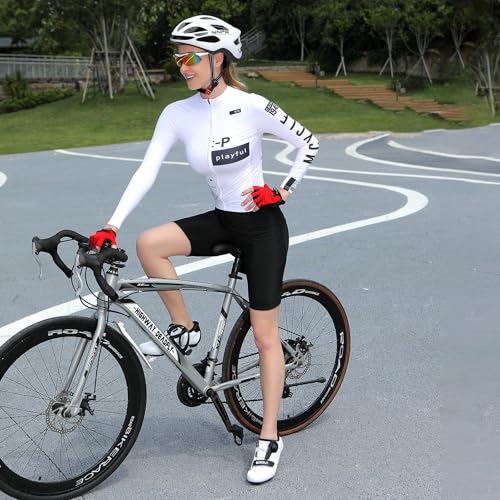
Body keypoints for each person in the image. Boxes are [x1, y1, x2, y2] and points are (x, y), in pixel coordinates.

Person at [89, 14, 319, 484]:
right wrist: (111, 224)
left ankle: (269, 437)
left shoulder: (251, 106)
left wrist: (283, 191)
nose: (183, 66)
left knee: (264, 336)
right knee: (149, 244)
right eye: (179, 58)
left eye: (191, 58)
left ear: (219, 59)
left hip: (261, 228)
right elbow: (147, 170)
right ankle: (185, 328)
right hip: (222, 219)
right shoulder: (177, 113)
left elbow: (308, 143)